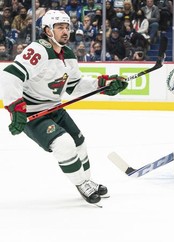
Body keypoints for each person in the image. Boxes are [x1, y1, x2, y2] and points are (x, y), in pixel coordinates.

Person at [0, 10, 128, 206]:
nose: (65, 31)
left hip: (54, 109)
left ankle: (87, 180)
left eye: (67, 27)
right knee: (64, 144)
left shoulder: (68, 54)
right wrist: (15, 107)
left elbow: (73, 85)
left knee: (80, 143)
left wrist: (102, 85)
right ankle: (81, 184)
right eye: (60, 27)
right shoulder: (38, 50)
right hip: (33, 114)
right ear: (48, 31)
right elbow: (10, 75)